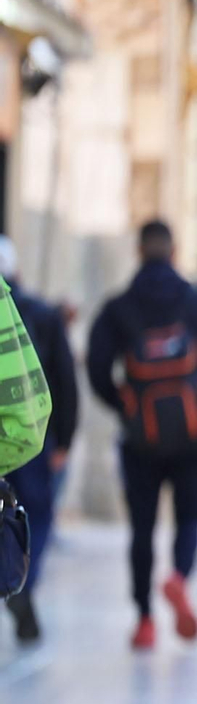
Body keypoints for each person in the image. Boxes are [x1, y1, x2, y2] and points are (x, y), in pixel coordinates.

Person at [87, 220, 197, 650]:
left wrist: (125, 406)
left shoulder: (119, 307)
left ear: (139, 251)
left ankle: (145, 620)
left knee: (141, 528)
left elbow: (98, 368)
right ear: (174, 251)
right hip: (193, 436)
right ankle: (177, 578)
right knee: (189, 517)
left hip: (139, 440)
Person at [0, 237, 77, 643]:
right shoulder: (38, 315)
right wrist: (64, 439)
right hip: (26, 439)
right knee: (35, 516)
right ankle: (22, 580)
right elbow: (62, 381)